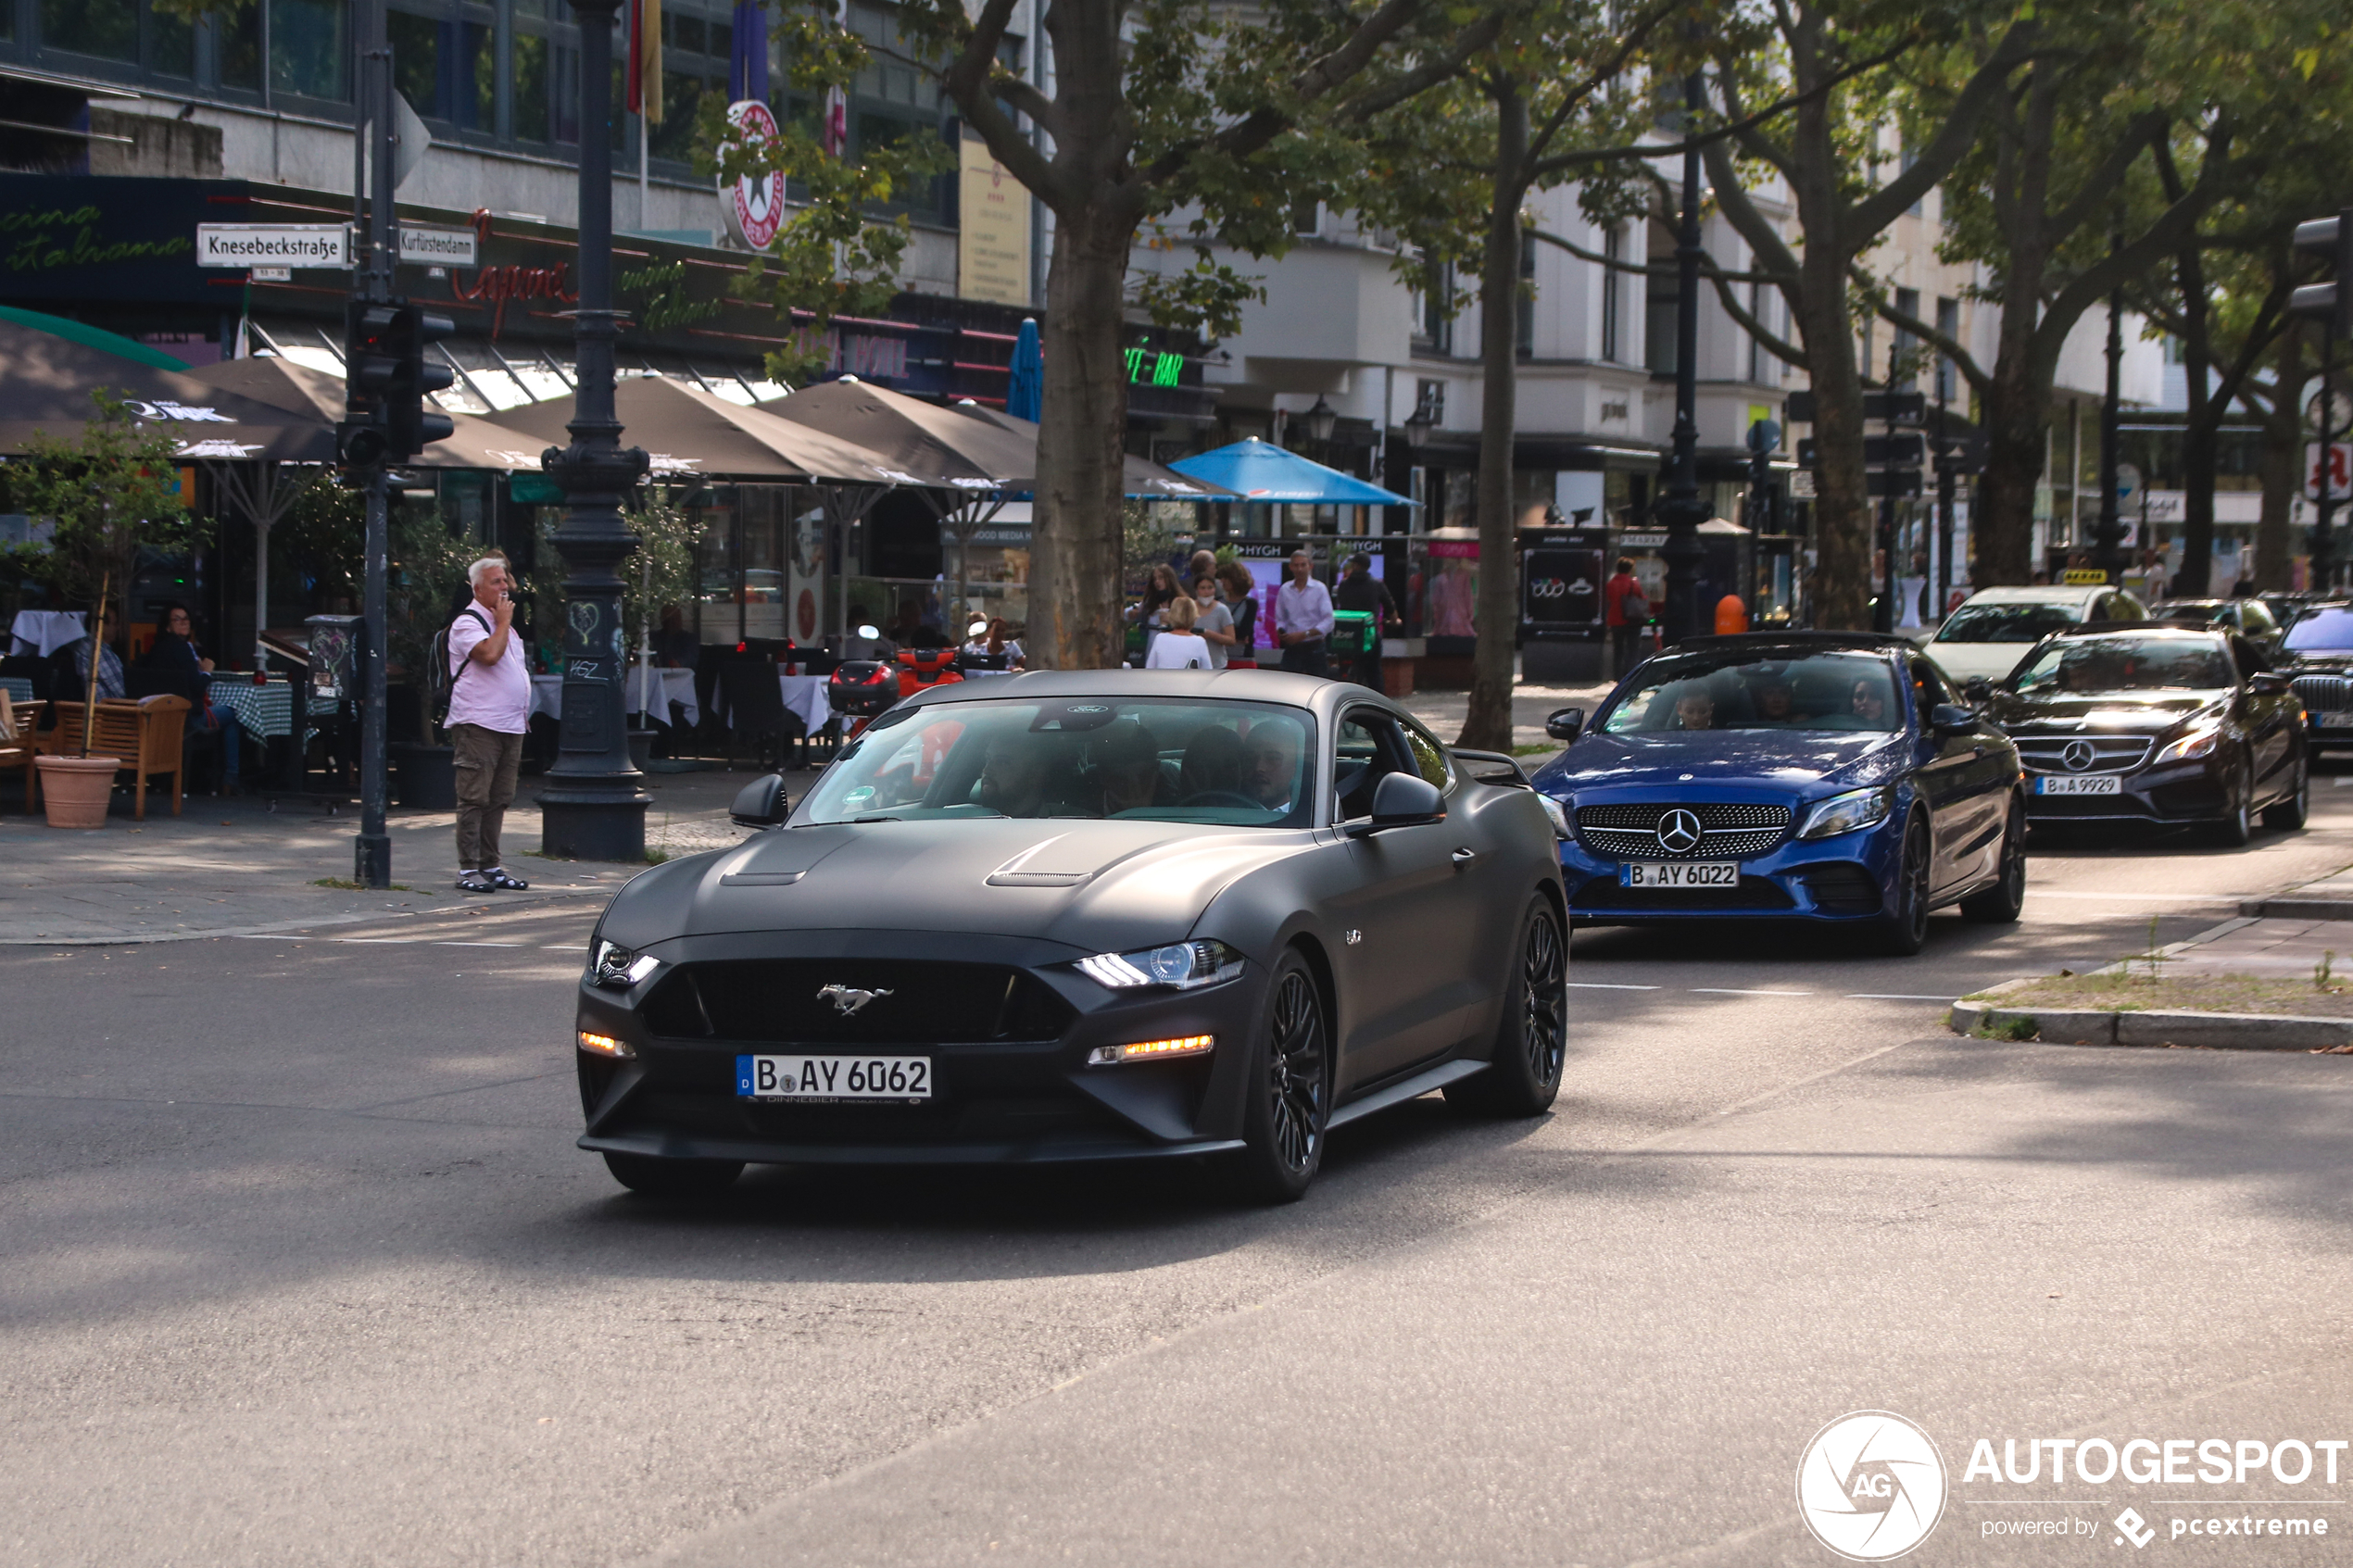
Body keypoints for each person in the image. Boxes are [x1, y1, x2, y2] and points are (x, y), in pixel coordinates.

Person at [447, 557, 533, 893]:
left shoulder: (504, 624)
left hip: (511, 724)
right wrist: (501, 623)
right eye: (496, 582)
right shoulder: (468, 623)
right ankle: (468, 869)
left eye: (504, 580)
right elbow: (488, 655)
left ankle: (491, 864)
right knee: (474, 797)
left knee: (500, 798)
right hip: (478, 723)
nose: (504, 587)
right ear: (477, 588)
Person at [143, 602, 241, 791]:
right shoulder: (183, 649)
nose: (183, 622)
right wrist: (206, 672)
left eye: (185, 618)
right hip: (187, 718)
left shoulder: (156, 649)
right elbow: (196, 688)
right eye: (176, 619)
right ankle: (231, 778)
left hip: (160, 717)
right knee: (234, 714)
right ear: (167, 626)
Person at [1331, 553, 1399, 690]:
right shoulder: (1377, 585)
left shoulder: (1344, 584)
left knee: (1343, 666)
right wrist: (1395, 621)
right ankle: (1379, 702)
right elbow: (1390, 607)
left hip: (1347, 636)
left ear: (1355, 565)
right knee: (1374, 671)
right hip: (1369, 635)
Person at [1274, 550, 1334, 677]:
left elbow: (1328, 621)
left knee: (1319, 686)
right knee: (1286, 685)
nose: (1300, 569)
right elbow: (1280, 618)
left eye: (1303, 565)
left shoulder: (1319, 589)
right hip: (1293, 647)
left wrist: (1304, 634)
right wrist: (1281, 630)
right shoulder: (1285, 590)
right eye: (1296, 565)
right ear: (1291, 567)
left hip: (1315, 646)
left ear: (1310, 566)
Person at [1093, 721, 1171, 814]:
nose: (1134, 785)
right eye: (1122, 779)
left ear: (1156, 774)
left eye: (1142, 777)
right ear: (1104, 779)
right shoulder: (1079, 808)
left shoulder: (1177, 807)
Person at [1241, 721, 1304, 811]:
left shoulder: (1309, 817)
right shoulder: (1223, 813)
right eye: (1250, 758)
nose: (1259, 768)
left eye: (1273, 758)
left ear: (1295, 767)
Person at [1604, 558, 1647, 675]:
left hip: (1615, 621)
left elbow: (1609, 600)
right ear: (1630, 570)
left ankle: (1618, 676)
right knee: (1633, 650)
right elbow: (1642, 598)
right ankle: (1631, 676)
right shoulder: (1633, 583)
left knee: (1618, 650)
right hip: (1632, 620)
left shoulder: (1610, 584)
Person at [1144, 595, 1212, 669]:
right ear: (1194, 616)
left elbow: (1150, 668)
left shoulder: (1160, 638)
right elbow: (1207, 671)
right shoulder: (1199, 642)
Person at [1178, 724, 1246, 798]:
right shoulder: (1167, 808)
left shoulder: (1257, 808)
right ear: (1190, 773)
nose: (1221, 774)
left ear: (1243, 771)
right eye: (1211, 766)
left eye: (1229, 766)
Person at [1215, 562, 1259, 665]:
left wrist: (1220, 635)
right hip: (1219, 657)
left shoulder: (1250, 604)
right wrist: (1231, 637)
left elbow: (1244, 631)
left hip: (1243, 658)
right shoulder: (1216, 602)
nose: (1222, 581)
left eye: (1226, 578)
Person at [1191, 577, 1236, 671]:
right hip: (1193, 663)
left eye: (1210, 587)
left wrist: (1210, 634)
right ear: (1196, 590)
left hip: (1216, 664)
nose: (1206, 592)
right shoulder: (1189, 609)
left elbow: (1231, 640)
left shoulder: (1222, 610)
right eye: (1202, 588)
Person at [959, 617, 1026, 669]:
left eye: (1003, 630)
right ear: (989, 631)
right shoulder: (979, 651)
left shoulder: (1011, 646)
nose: (1000, 633)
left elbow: (1024, 663)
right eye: (997, 630)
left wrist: (1017, 668)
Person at [652, 605, 698, 669]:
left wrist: (679, 663)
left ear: (680, 619)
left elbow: (690, 658)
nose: (671, 623)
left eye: (674, 618)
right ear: (662, 620)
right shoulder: (654, 637)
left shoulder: (689, 639)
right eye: (667, 619)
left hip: (679, 676)